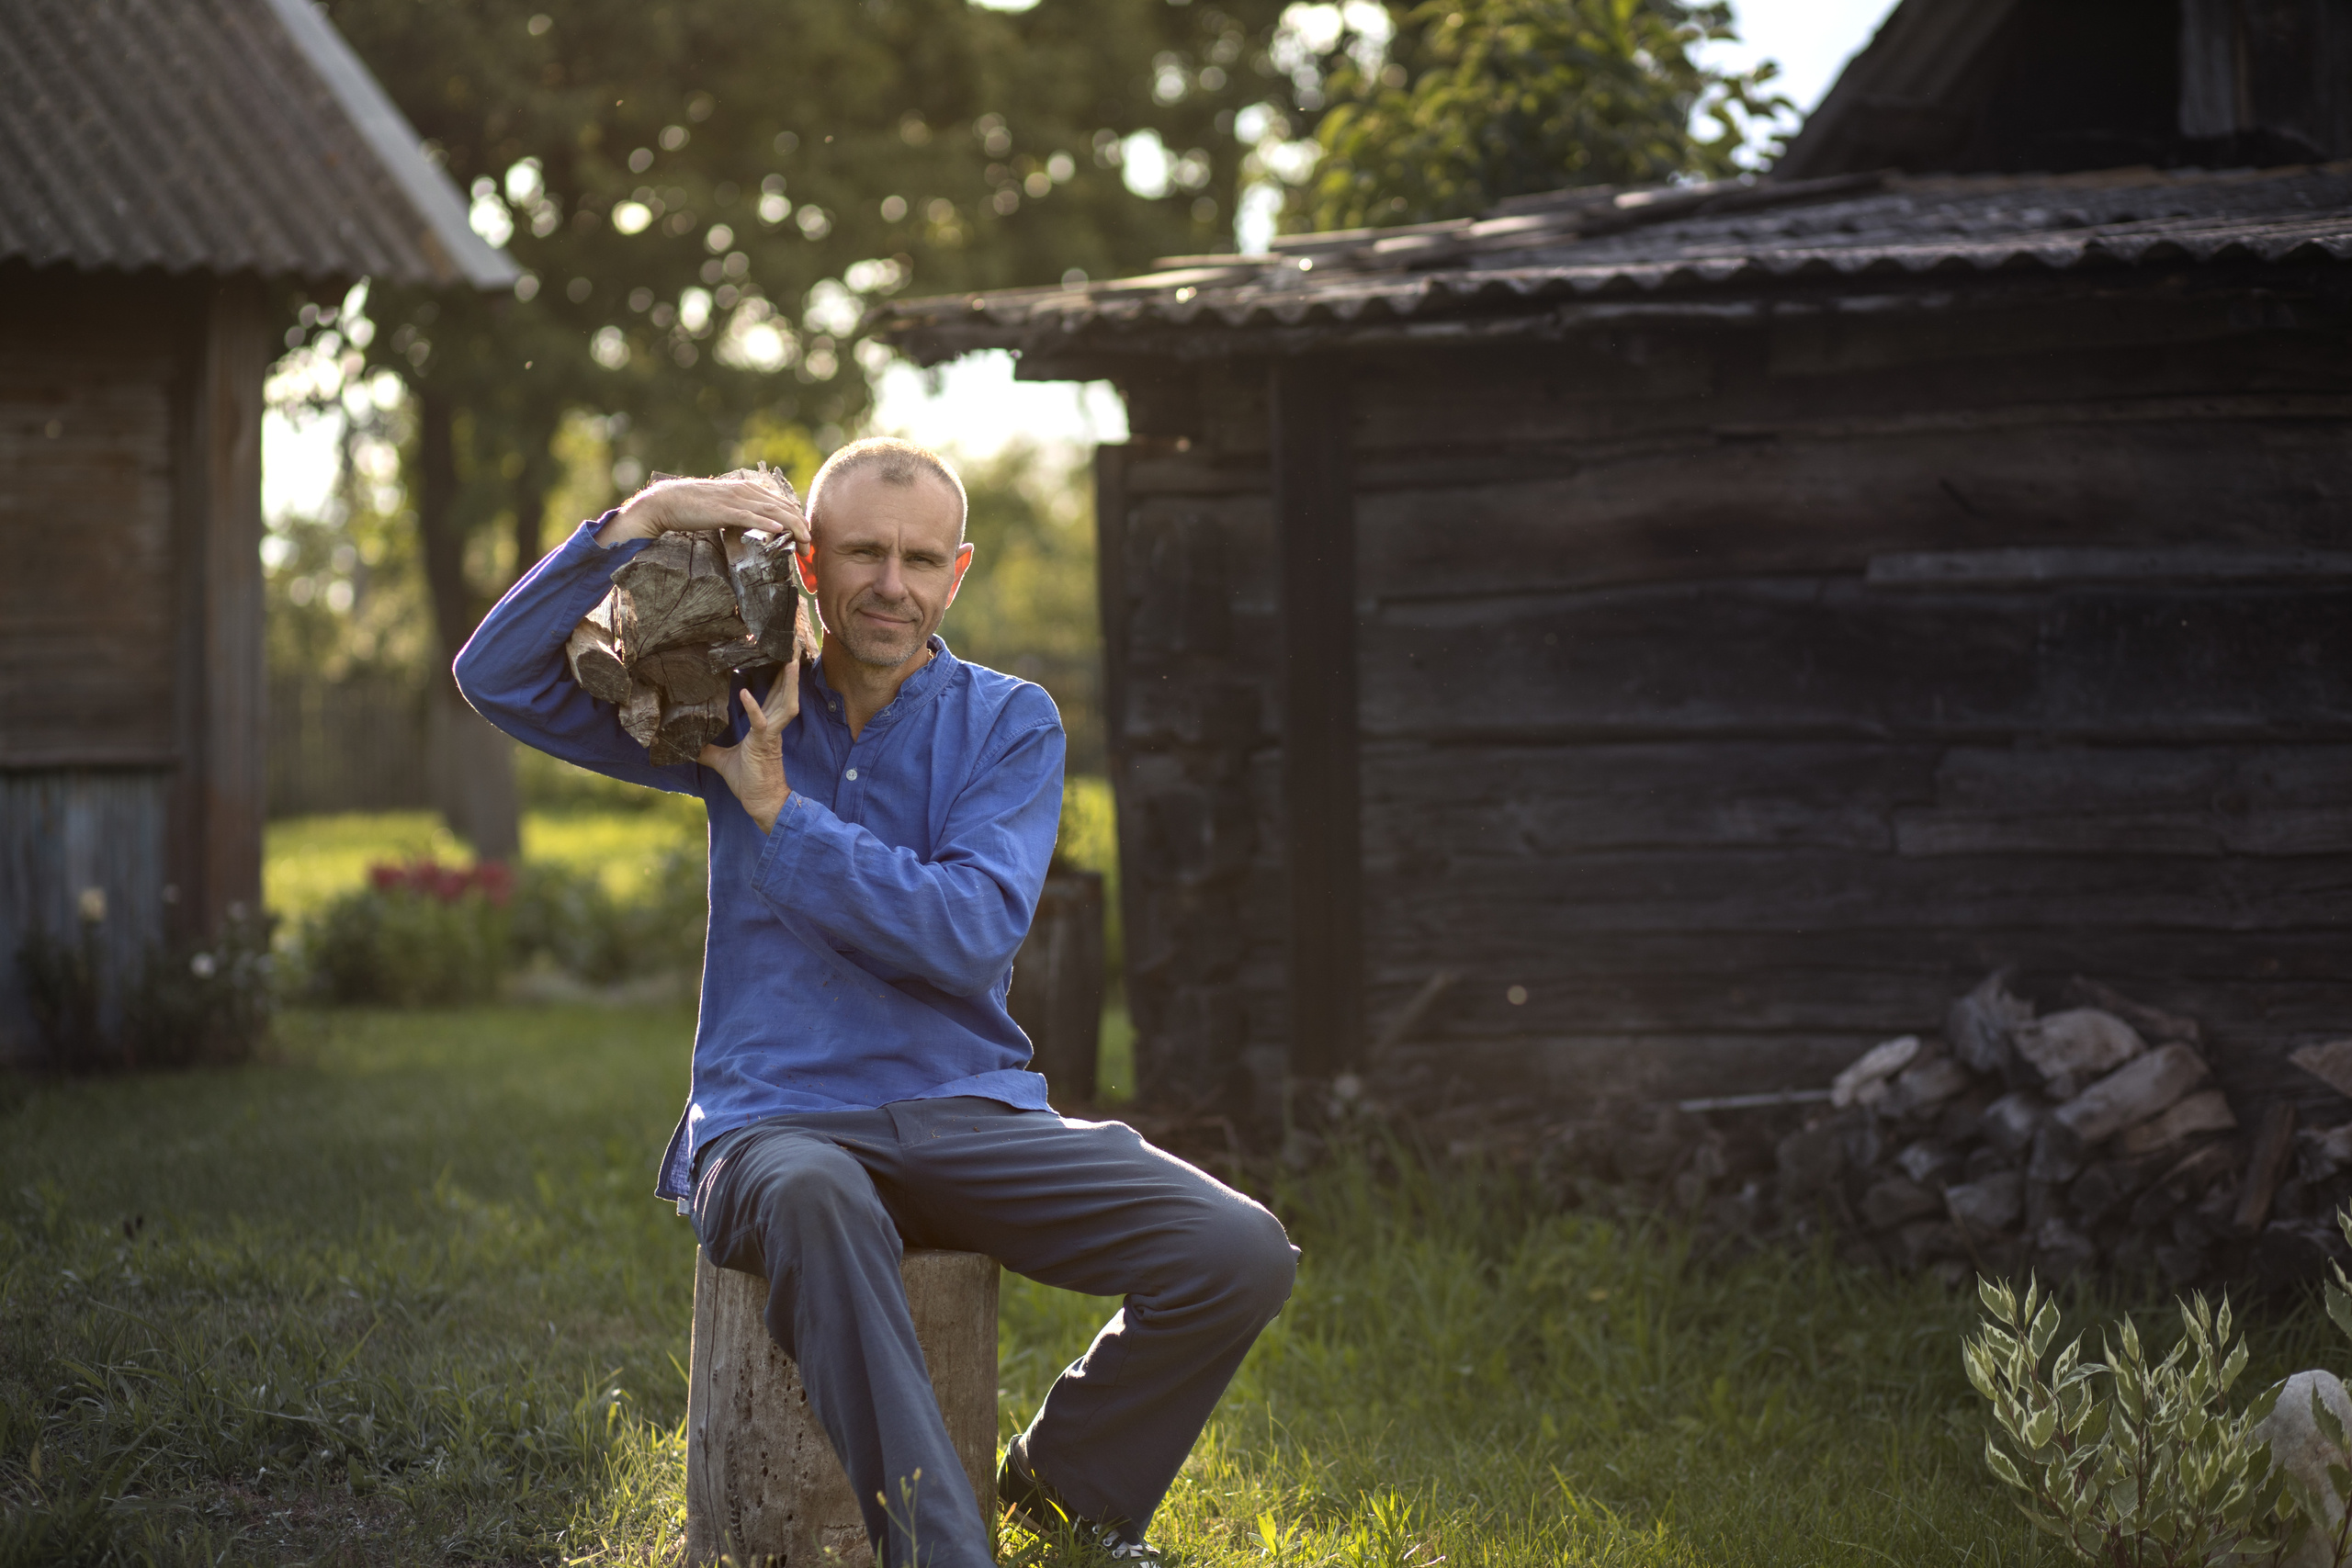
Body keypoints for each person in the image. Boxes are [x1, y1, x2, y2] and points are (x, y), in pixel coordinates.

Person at [453, 437, 1296, 1568]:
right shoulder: (726, 703)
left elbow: (965, 934)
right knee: (816, 1191)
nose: (889, 584)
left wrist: (780, 817)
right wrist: (643, 517)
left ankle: (1060, 1500)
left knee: (1237, 1249)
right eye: (861, 553)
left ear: (957, 571)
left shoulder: (1007, 723)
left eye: (917, 558)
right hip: (777, 1121)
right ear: (810, 565)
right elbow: (497, 674)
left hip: (964, 1111)